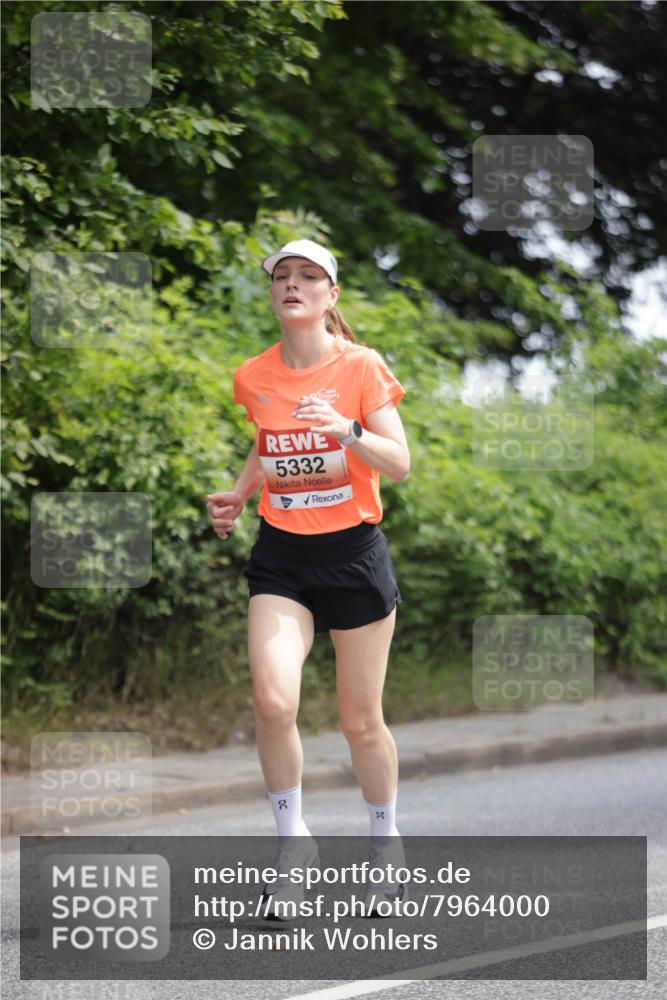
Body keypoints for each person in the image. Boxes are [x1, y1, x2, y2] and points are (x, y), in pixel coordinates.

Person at [206, 238, 410, 919]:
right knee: (272, 702)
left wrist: (347, 429)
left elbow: (400, 462)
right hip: (282, 556)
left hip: (353, 556)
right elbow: (267, 442)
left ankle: (385, 846)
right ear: (273, 295)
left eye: (308, 276)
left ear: (330, 296)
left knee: (358, 722)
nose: (292, 284)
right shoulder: (253, 375)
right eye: (282, 277)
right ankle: (292, 844)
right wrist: (239, 493)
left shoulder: (360, 367)